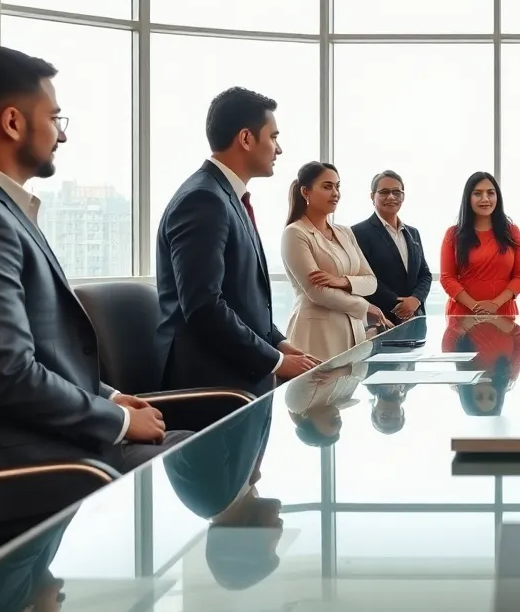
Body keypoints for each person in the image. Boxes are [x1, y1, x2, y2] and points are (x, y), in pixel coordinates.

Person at [0, 44, 185, 527]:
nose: (61, 135)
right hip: (14, 480)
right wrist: (116, 422)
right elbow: (6, 374)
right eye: (54, 118)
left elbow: (37, 353)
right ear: (13, 123)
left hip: (46, 452)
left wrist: (111, 398)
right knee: (196, 465)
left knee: (198, 455)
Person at [155, 87, 318, 397]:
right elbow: (204, 306)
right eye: (273, 137)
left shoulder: (226, 197)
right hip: (212, 385)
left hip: (237, 376)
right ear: (246, 138)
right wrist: (275, 361)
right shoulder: (204, 199)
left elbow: (243, 301)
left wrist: (280, 344)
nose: (278, 149)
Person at [279, 162, 388, 362]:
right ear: (305, 192)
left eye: (337, 186)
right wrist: (365, 307)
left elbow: (371, 282)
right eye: (327, 186)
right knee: (318, 391)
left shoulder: (345, 232)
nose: (335, 193)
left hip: (353, 332)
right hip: (315, 334)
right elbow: (316, 291)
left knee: (346, 391)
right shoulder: (295, 233)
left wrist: (343, 281)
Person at [350, 170, 432, 334]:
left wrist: (415, 300)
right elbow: (364, 276)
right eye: (384, 192)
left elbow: (425, 274)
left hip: (415, 318)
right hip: (380, 320)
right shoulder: (357, 233)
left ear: (403, 196)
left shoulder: (412, 233)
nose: (391, 197)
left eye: (397, 192)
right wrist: (398, 305)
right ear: (372, 196)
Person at [439, 172, 520, 316]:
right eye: (478, 193)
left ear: (497, 197)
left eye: (490, 193)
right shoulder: (453, 234)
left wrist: (495, 305)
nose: (485, 199)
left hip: (503, 314)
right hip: (463, 317)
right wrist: (475, 307)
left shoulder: (512, 231)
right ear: (468, 198)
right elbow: (447, 278)